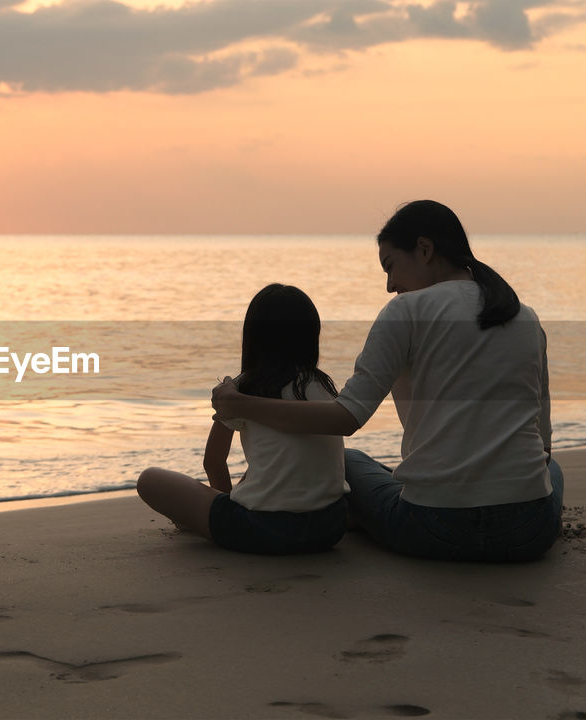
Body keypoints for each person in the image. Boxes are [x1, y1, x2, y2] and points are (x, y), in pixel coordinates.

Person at [211, 200, 564, 562]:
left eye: (390, 266)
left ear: (424, 250)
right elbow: (544, 447)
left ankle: (383, 506)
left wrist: (240, 404)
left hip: (433, 529)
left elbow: (346, 418)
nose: (389, 285)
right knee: (549, 469)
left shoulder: (405, 312)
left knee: (348, 460)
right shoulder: (525, 316)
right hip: (530, 532)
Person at [136, 283, 349, 555]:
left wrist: (221, 511)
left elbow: (213, 462)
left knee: (150, 479)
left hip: (265, 529)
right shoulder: (323, 387)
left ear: (252, 337)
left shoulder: (243, 389)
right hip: (329, 528)